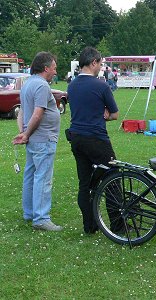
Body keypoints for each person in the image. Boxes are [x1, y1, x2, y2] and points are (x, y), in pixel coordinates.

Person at [67, 47, 119, 234]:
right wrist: (103, 115)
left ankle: (89, 226)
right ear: (93, 63)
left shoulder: (71, 85)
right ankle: (118, 224)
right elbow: (114, 114)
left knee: (85, 184)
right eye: (100, 63)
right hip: (96, 138)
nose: (101, 67)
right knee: (113, 179)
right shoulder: (101, 86)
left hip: (77, 138)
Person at [12, 52, 62, 231]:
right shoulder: (41, 86)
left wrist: (23, 132)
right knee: (43, 177)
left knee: (30, 174)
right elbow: (37, 113)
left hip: (34, 138)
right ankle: (40, 218)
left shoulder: (28, 84)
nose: (55, 72)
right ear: (46, 68)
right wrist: (25, 134)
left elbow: (22, 112)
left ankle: (30, 212)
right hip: (43, 139)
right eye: (54, 68)